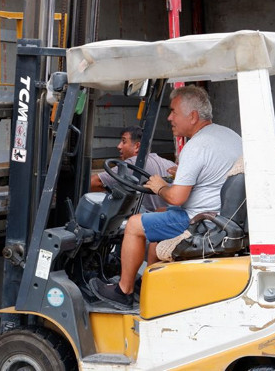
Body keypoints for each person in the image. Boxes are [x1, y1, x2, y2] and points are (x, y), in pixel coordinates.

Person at [90, 86, 242, 309]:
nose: (169, 117)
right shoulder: (227, 135)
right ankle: (150, 289)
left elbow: (176, 198)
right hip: (219, 216)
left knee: (133, 224)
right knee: (157, 217)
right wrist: (181, 173)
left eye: (173, 112)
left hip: (200, 222)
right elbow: (212, 173)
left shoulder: (197, 146)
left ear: (192, 116)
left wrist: (160, 187)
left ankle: (123, 291)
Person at [90, 125, 176, 212]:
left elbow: (95, 183)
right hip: (163, 218)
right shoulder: (169, 164)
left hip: (143, 219)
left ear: (137, 146)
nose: (119, 146)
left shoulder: (135, 163)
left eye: (124, 141)